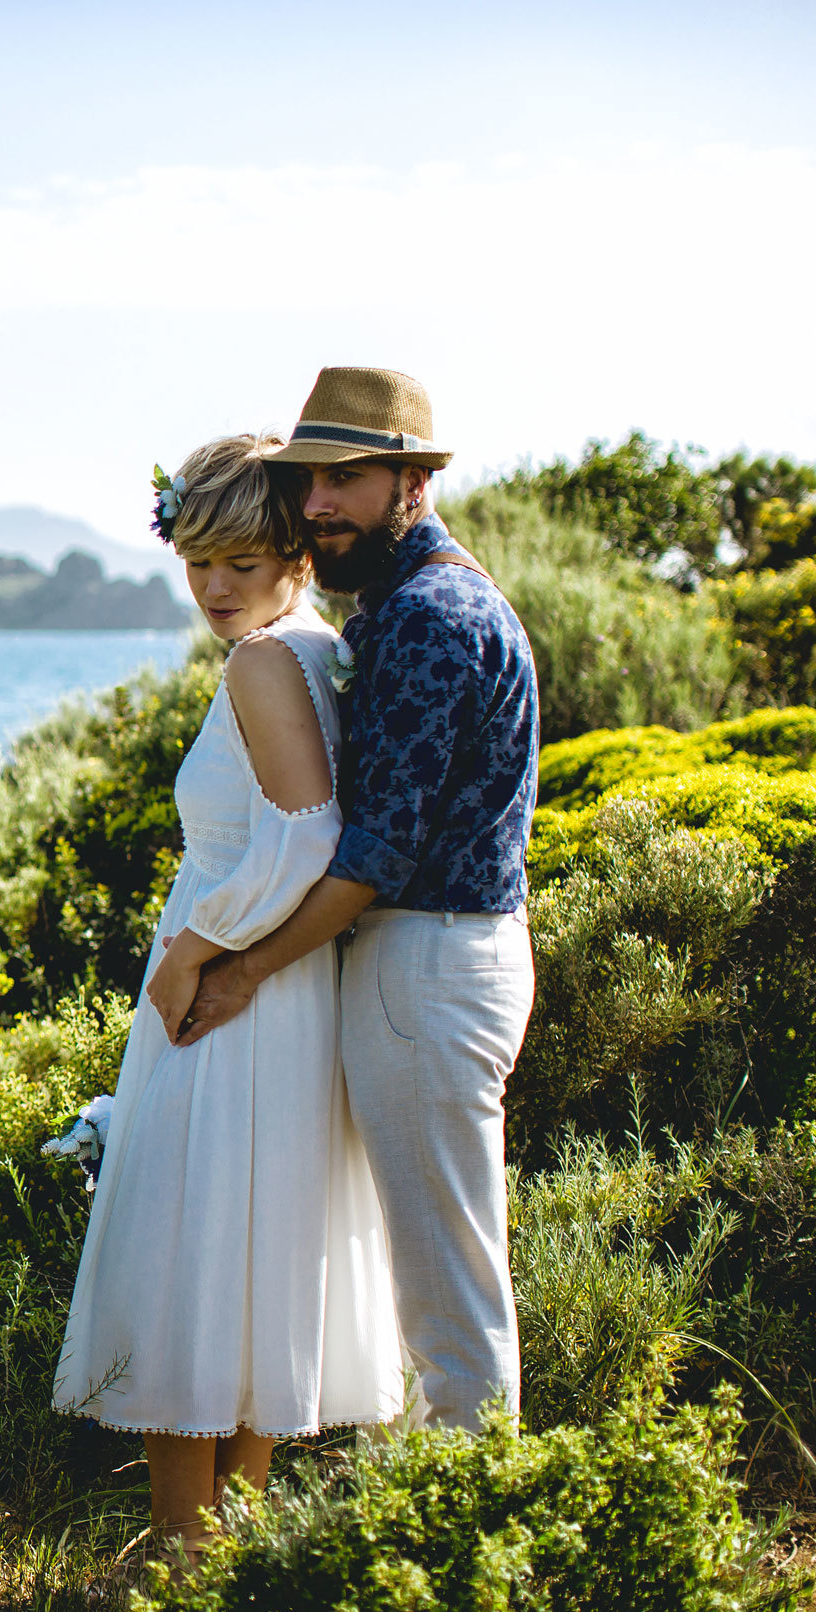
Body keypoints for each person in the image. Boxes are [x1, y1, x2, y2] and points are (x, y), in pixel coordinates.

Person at [53, 432, 403, 1564]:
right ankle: (227, 1550)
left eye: (243, 563)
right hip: (279, 989)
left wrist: (192, 948)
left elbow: (307, 835)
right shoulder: (312, 647)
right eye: (200, 560)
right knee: (247, 1251)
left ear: (294, 553)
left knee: (184, 1243)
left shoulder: (264, 662)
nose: (214, 588)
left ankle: (176, 1550)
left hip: (231, 988)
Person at [180, 366, 541, 1434]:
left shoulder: (429, 617)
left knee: (446, 1285)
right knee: (438, 1263)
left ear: (411, 479)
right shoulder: (417, 599)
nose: (320, 503)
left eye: (346, 479)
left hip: (425, 965)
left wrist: (237, 965)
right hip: (434, 960)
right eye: (310, 482)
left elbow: (370, 855)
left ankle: (471, 1541)